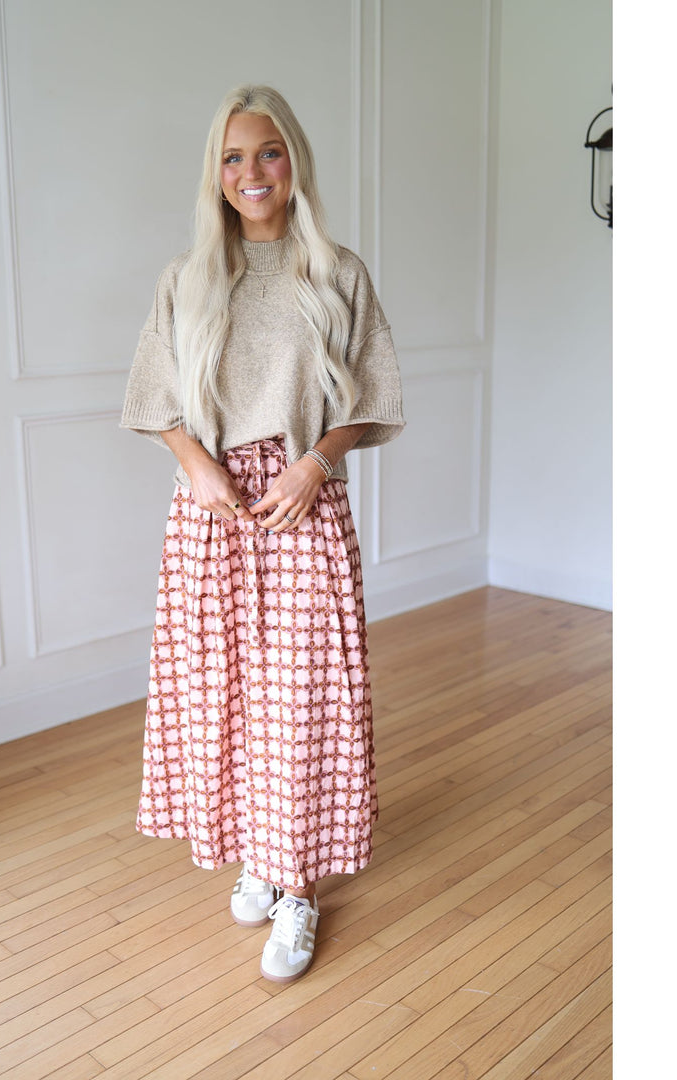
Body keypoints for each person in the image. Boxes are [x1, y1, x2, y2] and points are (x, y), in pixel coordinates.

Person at [120, 85, 404, 983]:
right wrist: (193, 463)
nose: (253, 173)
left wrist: (317, 462)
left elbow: (373, 397)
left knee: (306, 699)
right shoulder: (188, 277)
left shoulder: (338, 273)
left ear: (296, 163)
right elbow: (156, 395)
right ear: (216, 172)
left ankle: (299, 889)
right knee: (228, 697)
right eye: (235, 157)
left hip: (301, 501)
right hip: (212, 513)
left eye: (269, 153)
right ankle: (263, 853)